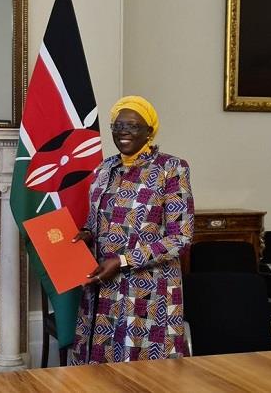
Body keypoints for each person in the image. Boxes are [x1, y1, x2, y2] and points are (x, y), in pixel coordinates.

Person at [69, 95, 194, 364]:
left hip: (148, 292)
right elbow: (95, 220)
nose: (124, 131)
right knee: (99, 371)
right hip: (103, 285)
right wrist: (87, 233)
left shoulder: (170, 168)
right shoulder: (104, 168)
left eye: (133, 126)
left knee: (142, 374)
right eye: (118, 125)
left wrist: (125, 260)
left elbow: (180, 237)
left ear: (149, 131)